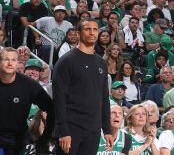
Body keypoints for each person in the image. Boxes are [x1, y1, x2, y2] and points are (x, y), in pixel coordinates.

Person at [53, 18, 112, 155]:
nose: (92, 33)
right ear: (78, 33)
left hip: (93, 128)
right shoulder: (66, 61)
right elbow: (59, 99)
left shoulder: (101, 63)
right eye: (87, 29)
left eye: (95, 29)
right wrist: (63, 131)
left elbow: (104, 98)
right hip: (71, 127)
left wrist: (107, 130)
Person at [0, 46, 54, 154]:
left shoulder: (29, 85)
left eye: (14, 60)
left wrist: (44, 139)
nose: (10, 63)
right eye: (6, 59)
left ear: (18, 63)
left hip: (17, 142)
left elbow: (51, 110)